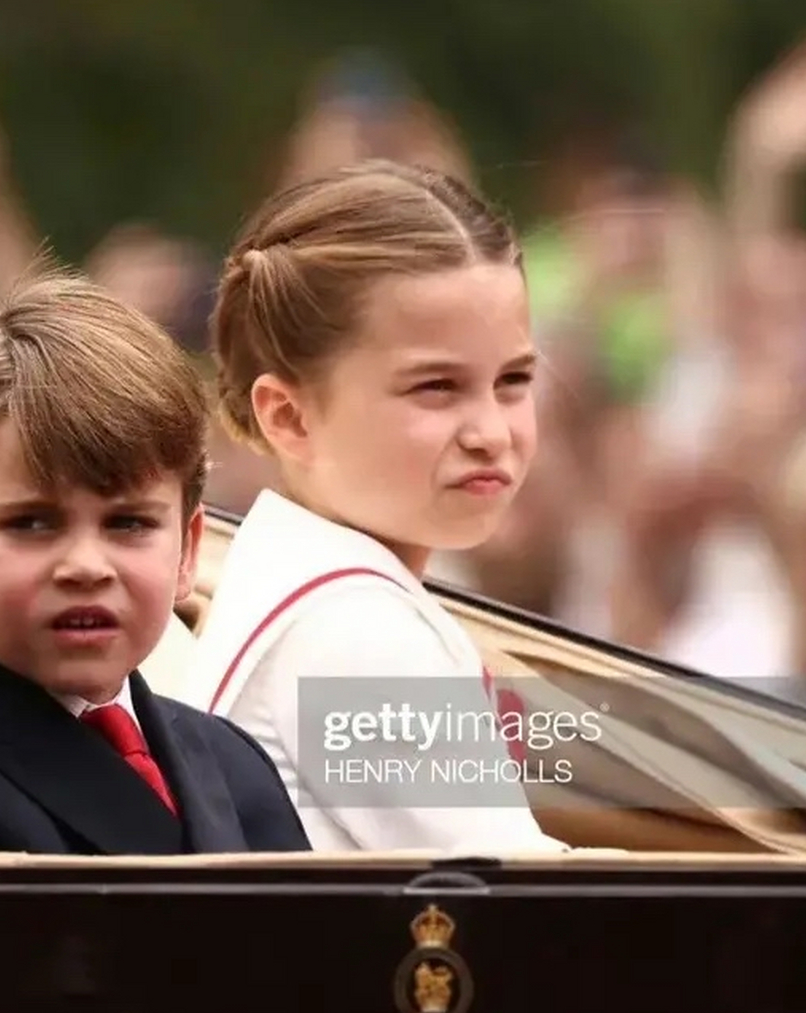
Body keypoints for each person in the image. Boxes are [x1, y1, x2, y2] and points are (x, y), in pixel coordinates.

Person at [185, 160, 567, 854]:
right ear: (290, 417)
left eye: (513, 381)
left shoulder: (311, 586)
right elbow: (536, 912)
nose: (490, 433)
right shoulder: (354, 632)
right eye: (436, 388)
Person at [0, 273, 310, 855]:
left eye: (129, 524)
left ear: (187, 551)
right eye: (31, 524)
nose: (86, 566)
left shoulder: (232, 762)